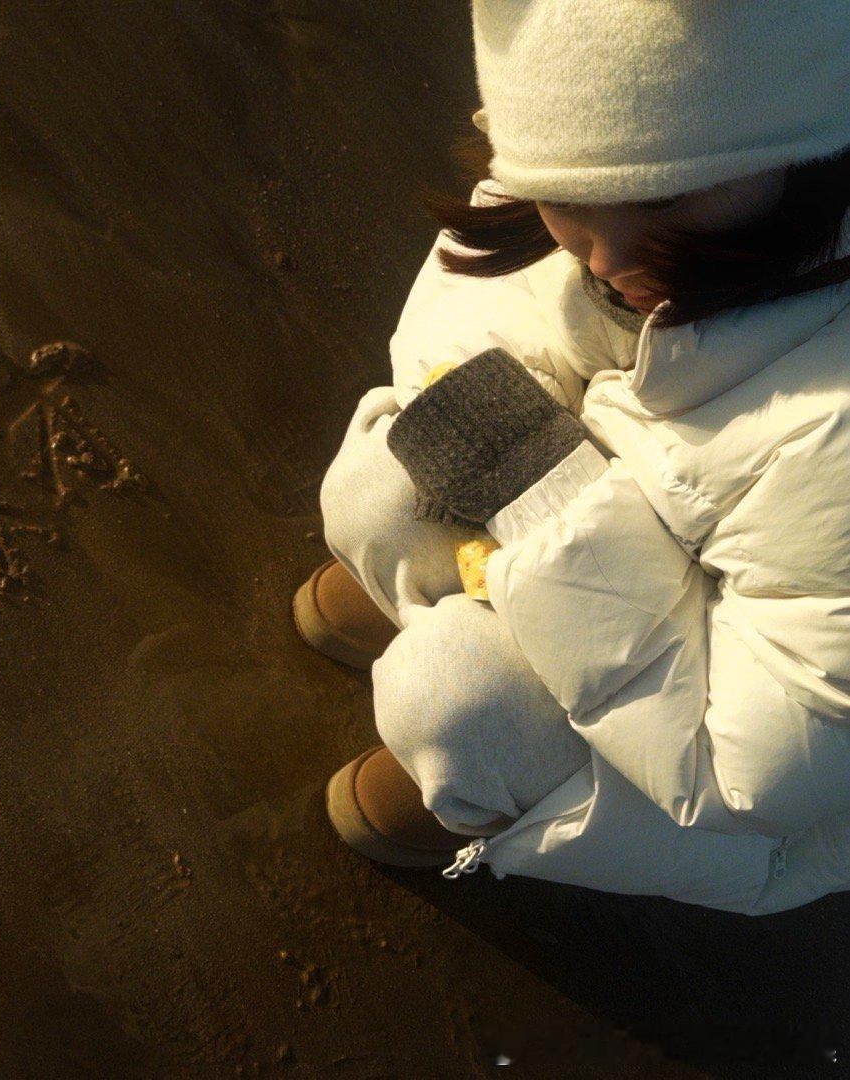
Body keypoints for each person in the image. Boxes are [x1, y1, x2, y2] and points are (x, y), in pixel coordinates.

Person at [295, 0, 850, 915]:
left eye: (663, 199)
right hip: (627, 562)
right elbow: (470, 321)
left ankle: (492, 785)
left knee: (460, 700)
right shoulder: (596, 181)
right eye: (564, 198)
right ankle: (428, 604)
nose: (605, 255)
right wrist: (513, 471)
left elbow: (749, 773)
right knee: (383, 493)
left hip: (751, 797)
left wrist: (543, 494)